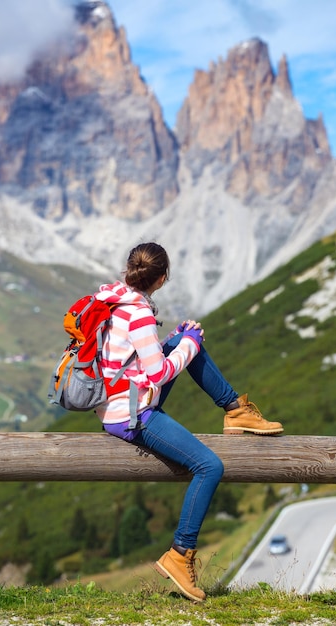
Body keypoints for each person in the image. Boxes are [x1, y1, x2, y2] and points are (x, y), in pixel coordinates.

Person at [94, 242, 284, 602]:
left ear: (130, 271)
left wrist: (179, 341)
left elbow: (134, 358)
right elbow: (159, 374)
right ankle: (180, 555)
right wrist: (191, 345)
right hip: (131, 414)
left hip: (116, 401)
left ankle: (234, 409)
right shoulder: (139, 313)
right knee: (210, 466)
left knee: (184, 338)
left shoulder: (116, 300)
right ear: (162, 278)